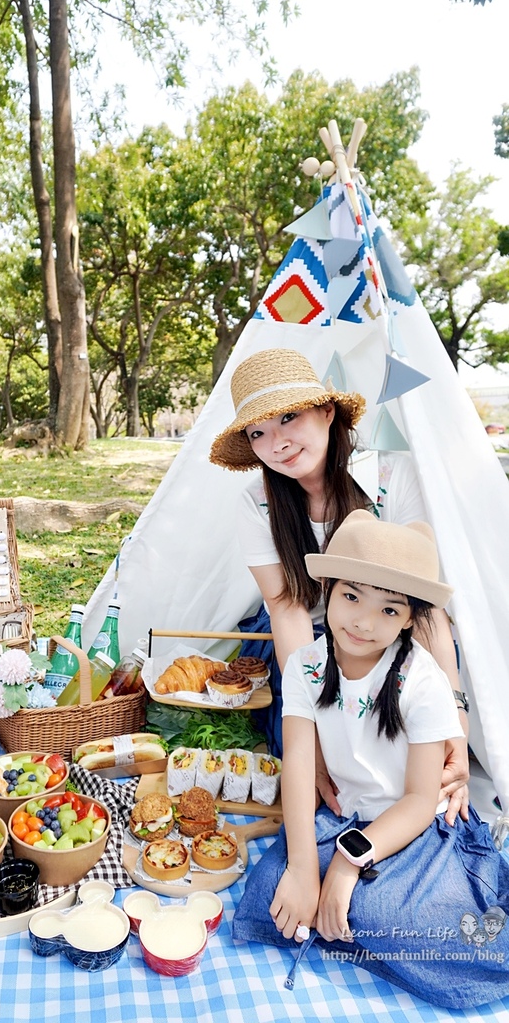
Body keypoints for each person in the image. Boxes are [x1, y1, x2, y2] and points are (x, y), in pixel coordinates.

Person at [231, 511, 509, 1008]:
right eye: (352, 596)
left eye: (389, 609)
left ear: (409, 617)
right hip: (341, 817)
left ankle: (358, 927)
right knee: (269, 890)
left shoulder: (422, 681)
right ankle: (361, 933)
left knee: (385, 911)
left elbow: (422, 801)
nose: (362, 621)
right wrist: (302, 868)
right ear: (329, 592)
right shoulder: (305, 667)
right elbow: (298, 762)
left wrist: (344, 864)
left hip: (409, 829)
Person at [209, 347, 469, 820]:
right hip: (309, 644)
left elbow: (424, 606)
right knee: (314, 767)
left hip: (393, 635)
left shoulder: (390, 477)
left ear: (327, 412)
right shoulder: (257, 503)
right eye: (258, 432)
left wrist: (455, 713)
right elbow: (286, 610)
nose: (278, 442)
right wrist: (308, 722)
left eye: (289, 417)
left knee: (412, 761)